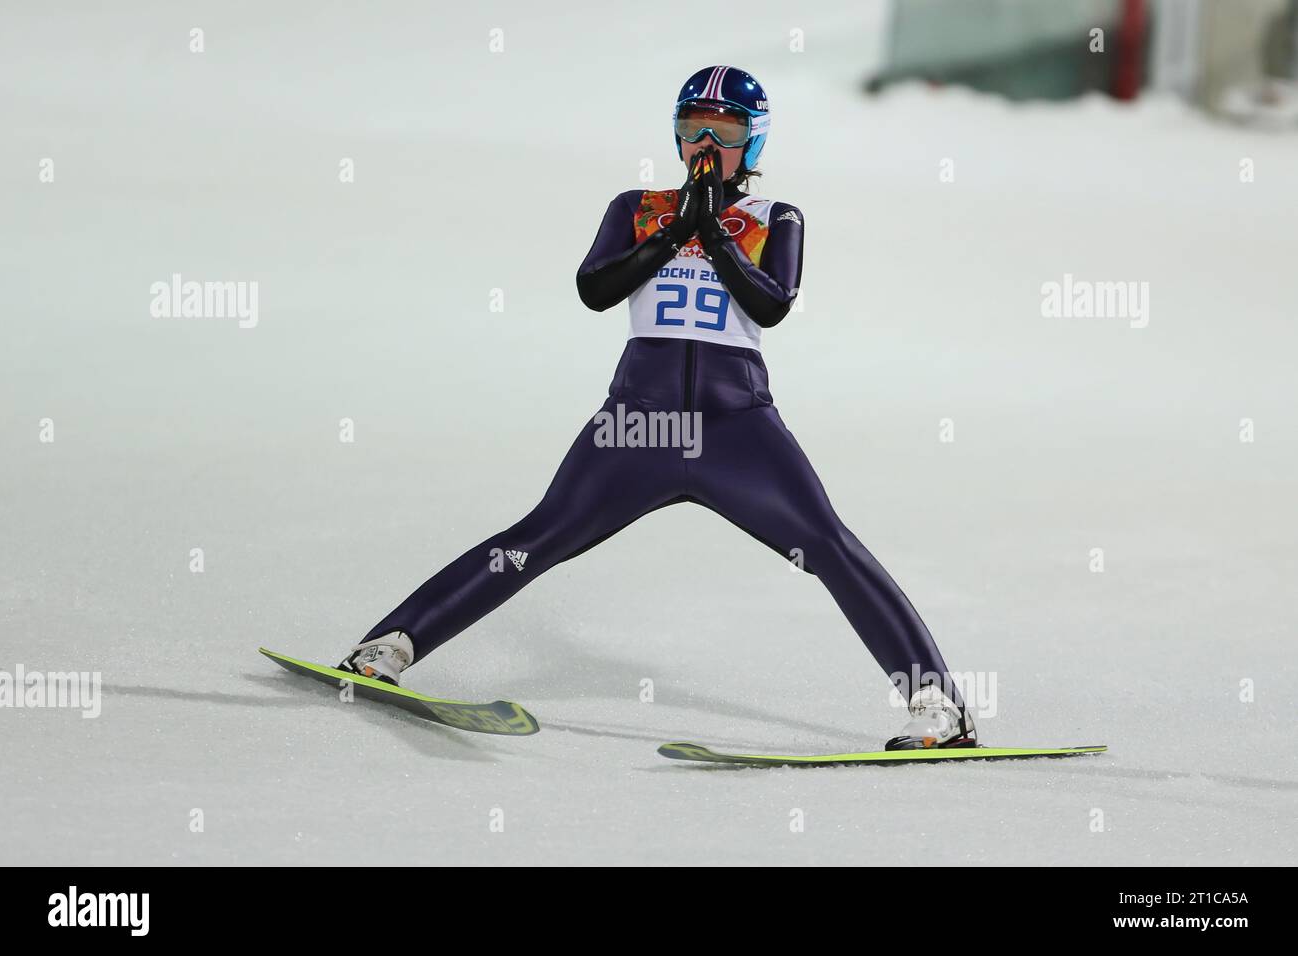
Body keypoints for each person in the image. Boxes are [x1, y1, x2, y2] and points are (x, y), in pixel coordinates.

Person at [339, 65, 976, 750]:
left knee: (827, 543)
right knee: (537, 537)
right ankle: (389, 647)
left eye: (725, 130)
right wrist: (674, 232)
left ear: (753, 142)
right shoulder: (636, 207)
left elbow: (772, 303)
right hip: (637, 424)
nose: (705, 143)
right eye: (691, 128)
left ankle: (939, 706)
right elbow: (594, 289)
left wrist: (717, 235)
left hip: (737, 428)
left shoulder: (775, 217)